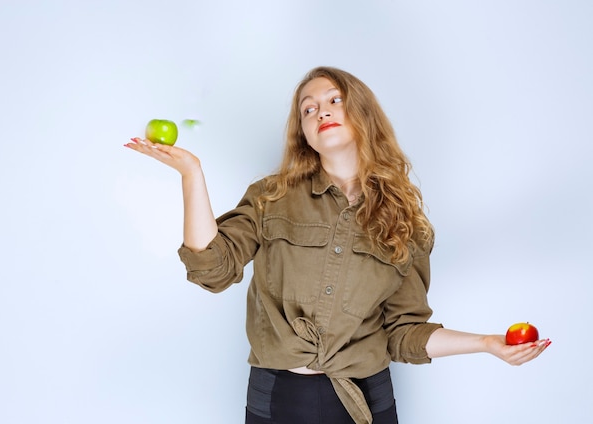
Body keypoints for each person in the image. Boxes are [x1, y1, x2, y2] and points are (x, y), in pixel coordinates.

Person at [124, 66, 550, 424]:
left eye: (333, 100)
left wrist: (488, 343)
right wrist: (191, 175)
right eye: (308, 109)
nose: (320, 111)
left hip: (366, 398)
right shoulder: (271, 196)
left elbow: (403, 333)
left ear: (362, 114)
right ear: (304, 133)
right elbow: (212, 269)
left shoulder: (406, 224)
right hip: (279, 396)